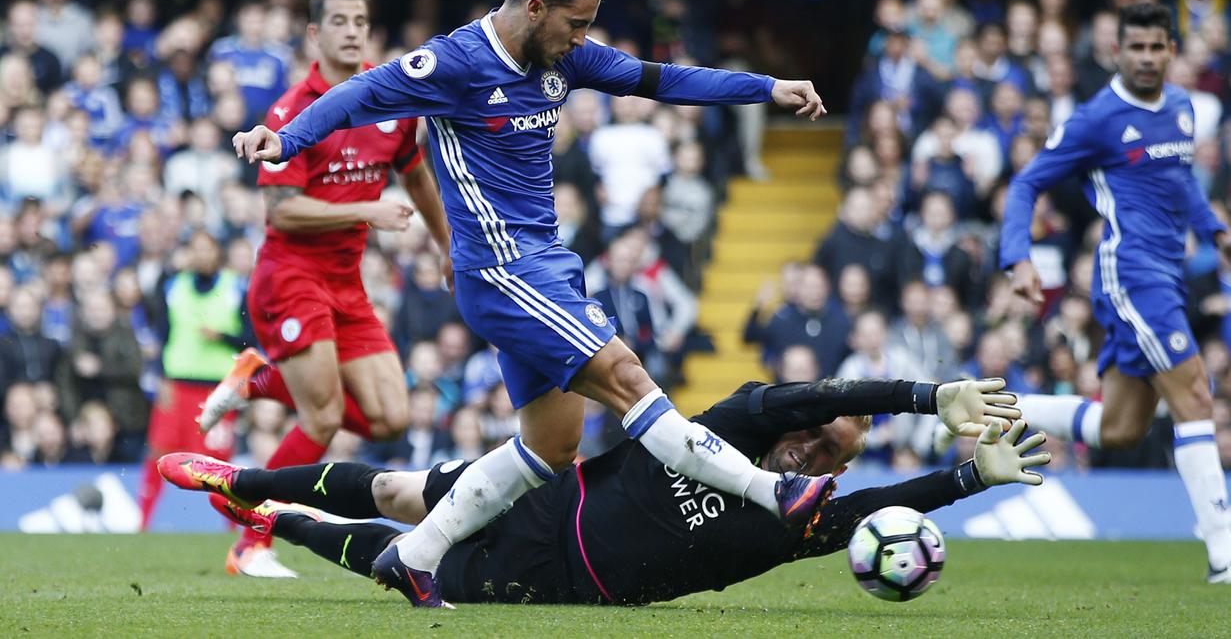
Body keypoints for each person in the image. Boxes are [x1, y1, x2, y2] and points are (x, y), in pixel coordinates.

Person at [232, 0, 1012, 607]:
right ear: (533, 8)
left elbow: (661, 79)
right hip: (501, 270)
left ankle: (414, 556)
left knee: (549, 446)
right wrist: (283, 138)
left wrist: (763, 89)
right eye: (574, 24)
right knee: (630, 378)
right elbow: (360, 94)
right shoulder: (454, 64)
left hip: (550, 270)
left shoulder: (564, 58)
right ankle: (769, 491)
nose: (582, 40)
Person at [160, 377, 1044, 606]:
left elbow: (868, 515)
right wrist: (921, 398)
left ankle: (278, 519)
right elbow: (817, 398)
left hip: (562, 585)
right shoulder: (736, 425)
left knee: (379, 560)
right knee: (395, 489)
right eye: (810, 436)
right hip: (547, 500)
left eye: (827, 455)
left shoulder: (805, 520)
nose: (810, 449)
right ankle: (243, 479)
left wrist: (966, 478)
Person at [199, 0, 451, 578]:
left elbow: (415, 174)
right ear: (314, 33)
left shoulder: (387, 102)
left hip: (347, 286)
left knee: (391, 417)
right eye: (338, 22)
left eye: (359, 22)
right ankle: (251, 538)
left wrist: (447, 246)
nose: (350, 31)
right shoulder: (293, 110)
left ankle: (260, 379)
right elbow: (281, 210)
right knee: (323, 418)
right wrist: (366, 210)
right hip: (291, 277)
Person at [1000, 4, 1231, 584]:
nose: (1147, 58)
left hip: (1167, 272)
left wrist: (1215, 231)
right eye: (1137, 48)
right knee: (1197, 397)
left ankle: (990, 409)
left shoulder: (1180, 108)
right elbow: (1029, 181)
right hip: (1130, 272)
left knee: (1121, 427)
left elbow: (1180, 185)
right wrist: (1017, 256)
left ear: (1171, 51)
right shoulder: (1097, 118)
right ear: (1117, 51)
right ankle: (1224, 551)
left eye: (1157, 47)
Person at [137, 230, 252, 531]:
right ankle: (143, 522)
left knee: (219, 462)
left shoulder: (235, 288)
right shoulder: (173, 286)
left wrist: (223, 338)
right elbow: (161, 335)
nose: (202, 255)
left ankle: (230, 528)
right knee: (160, 451)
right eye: (196, 249)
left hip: (218, 391)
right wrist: (159, 375)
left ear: (218, 253)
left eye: (208, 249)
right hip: (176, 386)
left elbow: (250, 340)